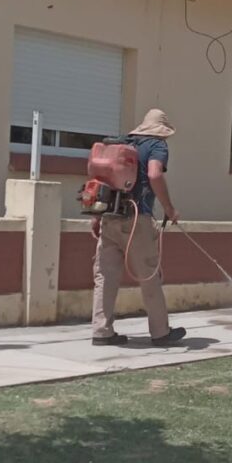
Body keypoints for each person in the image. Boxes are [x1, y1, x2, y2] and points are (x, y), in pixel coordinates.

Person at [91, 108, 186, 347]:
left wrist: (97, 216)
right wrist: (169, 208)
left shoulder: (123, 143)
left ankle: (101, 331)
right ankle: (160, 332)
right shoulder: (157, 146)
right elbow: (154, 174)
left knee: (105, 276)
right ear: (162, 131)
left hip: (109, 216)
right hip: (137, 218)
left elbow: (102, 180)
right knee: (149, 275)